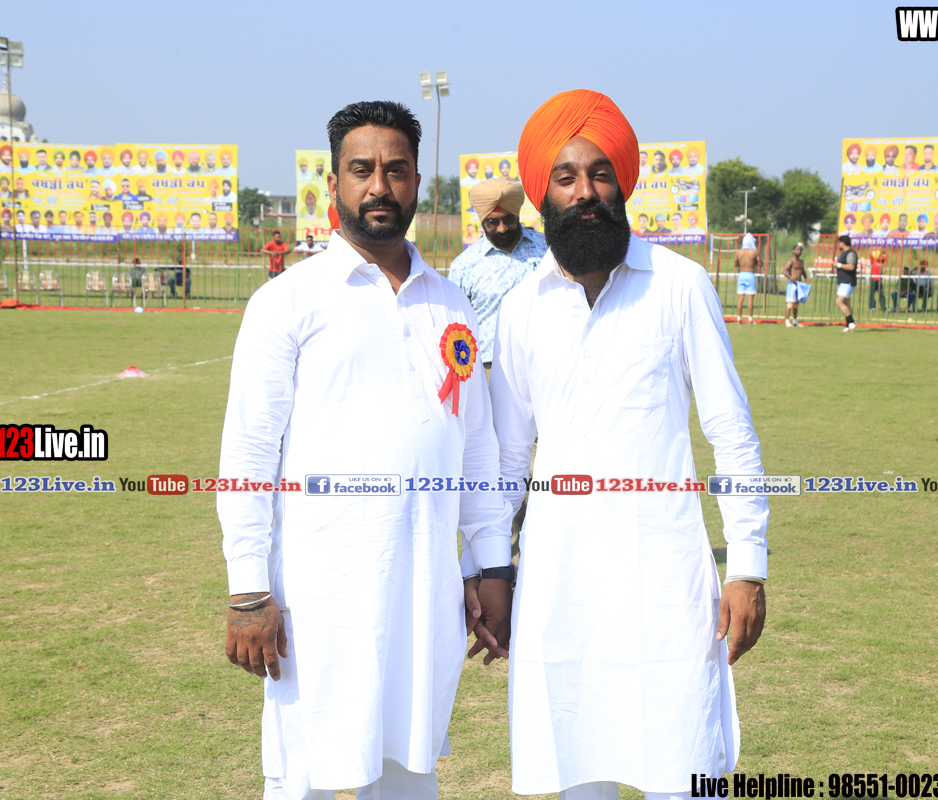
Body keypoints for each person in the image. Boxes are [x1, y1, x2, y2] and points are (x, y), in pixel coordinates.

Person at [475, 88, 769, 800]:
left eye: (599, 174)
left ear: (622, 183)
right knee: (578, 767)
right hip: (559, 581)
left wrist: (748, 566)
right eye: (566, 177)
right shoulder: (522, 308)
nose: (585, 192)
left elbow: (730, 431)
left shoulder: (679, 285)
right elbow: (507, 456)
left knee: (684, 765)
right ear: (543, 194)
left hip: (665, 577)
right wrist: (490, 568)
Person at [218, 99, 512, 800]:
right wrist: (249, 589)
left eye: (396, 170)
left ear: (417, 183)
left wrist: (491, 564)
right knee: (306, 775)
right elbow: (249, 452)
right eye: (362, 169)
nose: (380, 186)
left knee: (409, 769)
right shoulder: (288, 300)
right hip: (321, 594)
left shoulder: (450, 303)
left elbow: (475, 446)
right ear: (335, 183)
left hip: (425, 589)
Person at [447, 179, 548, 375]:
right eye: (493, 222)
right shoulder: (464, 266)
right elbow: (454, 323)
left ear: (517, 215)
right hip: (489, 368)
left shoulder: (546, 249)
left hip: (543, 360)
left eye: (509, 220)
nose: (502, 228)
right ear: (482, 220)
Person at [834, 234, 858, 331]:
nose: (838, 244)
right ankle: (849, 326)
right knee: (846, 304)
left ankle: (851, 322)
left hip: (848, 282)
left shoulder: (851, 253)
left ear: (843, 243)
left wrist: (838, 265)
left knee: (839, 302)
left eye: (839, 242)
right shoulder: (844, 253)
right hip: (843, 282)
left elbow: (851, 266)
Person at [781, 242, 808, 326]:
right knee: (790, 303)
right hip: (792, 285)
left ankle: (795, 321)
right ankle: (787, 321)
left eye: (800, 250)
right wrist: (791, 277)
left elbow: (803, 271)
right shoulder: (791, 261)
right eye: (797, 249)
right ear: (793, 251)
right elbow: (784, 271)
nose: (799, 251)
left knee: (796, 304)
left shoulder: (801, 262)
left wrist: (807, 279)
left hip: (799, 284)